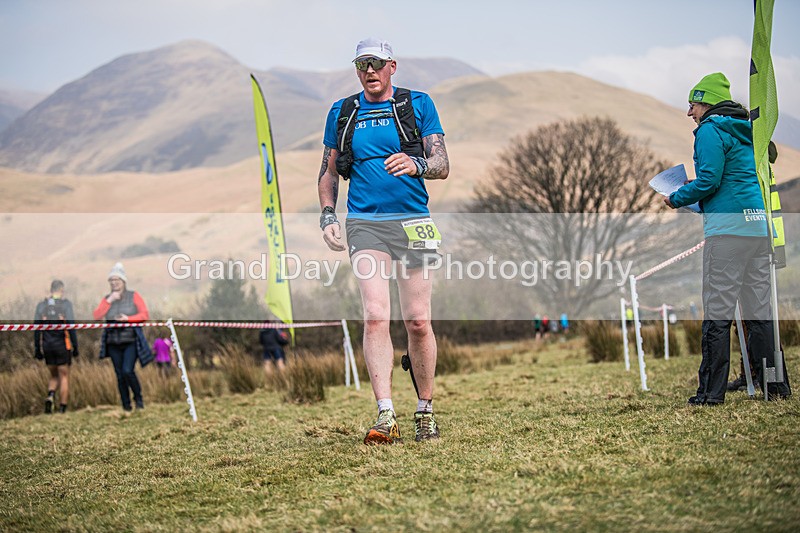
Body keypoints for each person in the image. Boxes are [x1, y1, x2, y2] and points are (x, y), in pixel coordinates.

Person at [317, 37, 449, 444]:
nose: (369, 70)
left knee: (418, 321)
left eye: (376, 63)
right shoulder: (343, 112)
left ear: (392, 66)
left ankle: (424, 409)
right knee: (376, 314)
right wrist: (327, 216)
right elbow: (328, 170)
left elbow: (442, 165)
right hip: (365, 224)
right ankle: (385, 414)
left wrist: (417, 163)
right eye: (361, 64)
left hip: (414, 221)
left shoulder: (418, 104)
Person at [664, 72, 791, 404]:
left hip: (727, 233)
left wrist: (676, 197)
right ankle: (775, 386)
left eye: (692, 104)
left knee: (718, 314)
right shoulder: (750, 130)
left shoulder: (710, 131)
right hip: (757, 228)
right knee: (760, 314)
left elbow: (708, 181)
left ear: (705, 103)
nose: (689, 112)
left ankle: (710, 393)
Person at [92, 262, 153, 411]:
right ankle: (126, 406)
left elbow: (145, 315)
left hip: (130, 340)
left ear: (123, 281)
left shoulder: (134, 296)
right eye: (111, 280)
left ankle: (139, 400)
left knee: (127, 370)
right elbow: (97, 316)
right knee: (119, 375)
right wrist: (109, 301)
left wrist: (128, 319)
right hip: (113, 342)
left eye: (116, 280)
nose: (114, 283)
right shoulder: (107, 299)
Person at [33, 280, 78, 414]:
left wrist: (37, 349)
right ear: (61, 289)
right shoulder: (65, 305)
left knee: (53, 376)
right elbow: (71, 326)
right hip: (63, 345)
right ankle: (63, 408)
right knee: (64, 376)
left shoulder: (42, 306)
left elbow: (36, 329)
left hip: (47, 345)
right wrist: (76, 347)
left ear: (51, 290)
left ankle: (51, 395)